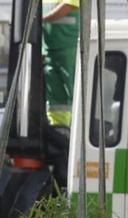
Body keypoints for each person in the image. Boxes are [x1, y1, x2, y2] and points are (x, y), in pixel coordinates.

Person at [41, 0, 78, 128]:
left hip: (69, 46)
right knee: (55, 97)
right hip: (50, 48)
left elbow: (69, 5)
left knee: (75, 90)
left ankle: (78, 130)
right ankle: (59, 129)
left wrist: (41, 19)